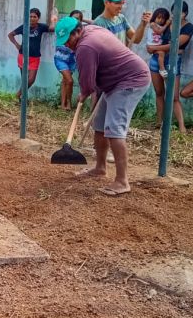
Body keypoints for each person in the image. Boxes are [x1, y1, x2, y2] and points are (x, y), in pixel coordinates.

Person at [56, 16, 151, 196]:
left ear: (78, 31)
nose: (67, 44)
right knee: (99, 125)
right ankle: (100, 167)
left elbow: (88, 85)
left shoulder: (85, 47)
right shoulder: (91, 30)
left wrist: (83, 93)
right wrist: (87, 90)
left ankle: (122, 181)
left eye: (68, 39)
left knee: (114, 129)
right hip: (113, 82)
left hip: (130, 80)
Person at [146, 1, 193, 132]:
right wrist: (153, 48)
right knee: (159, 93)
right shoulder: (168, 24)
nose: (177, 15)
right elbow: (156, 36)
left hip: (172, 61)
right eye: (174, 12)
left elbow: (176, 45)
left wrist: (154, 48)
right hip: (157, 60)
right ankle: (159, 123)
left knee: (174, 97)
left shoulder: (188, 27)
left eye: (181, 13)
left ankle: (181, 126)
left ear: (186, 13)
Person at [7, 8, 54, 99]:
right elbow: (10, 35)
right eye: (30, 16)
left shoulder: (41, 27)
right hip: (23, 56)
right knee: (24, 79)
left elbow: (52, 29)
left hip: (35, 57)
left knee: (31, 80)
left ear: (38, 18)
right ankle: (23, 99)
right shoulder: (24, 27)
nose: (32, 18)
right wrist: (17, 45)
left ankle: (18, 94)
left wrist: (53, 20)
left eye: (34, 17)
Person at [144, 8, 171, 77]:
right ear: (154, 17)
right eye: (158, 18)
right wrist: (166, 24)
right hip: (151, 45)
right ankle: (162, 69)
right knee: (161, 53)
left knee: (162, 53)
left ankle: (161, 69)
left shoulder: (161, 26)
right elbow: (158, 32)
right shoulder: (152, 24)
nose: (160, 20)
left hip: (156, 45)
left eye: (163, 19)